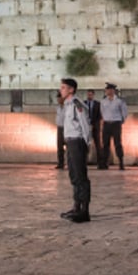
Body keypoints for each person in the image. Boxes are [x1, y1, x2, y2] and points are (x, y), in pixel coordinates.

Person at [59, 77, 92, 222]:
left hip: (78, 142)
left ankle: (84, 211)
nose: (61, 90)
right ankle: (76, 206)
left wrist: (87, 142)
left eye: (64, 88)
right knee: (73, 175)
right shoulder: (67, 104)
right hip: (70, 142)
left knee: (80, 176)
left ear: (72, 89)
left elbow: (85, 124)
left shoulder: (77, 104)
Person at [99, 82, 127, 170]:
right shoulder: (103, 101)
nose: (107, 91)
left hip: (116, 123)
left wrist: (120, 121)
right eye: (106, 90)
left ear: (113, 91)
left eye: (109, 90)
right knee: (105, 144)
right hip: (107, 124)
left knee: (117, 143)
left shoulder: (119, 101)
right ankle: (104, 163)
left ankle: (121, 162)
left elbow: (124, 112)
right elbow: (102, 112)